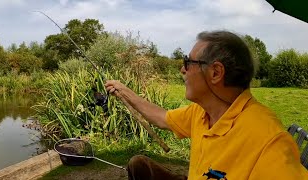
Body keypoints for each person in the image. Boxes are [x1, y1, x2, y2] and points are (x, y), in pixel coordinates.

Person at [105, 31, 308, 180]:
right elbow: (162, 117)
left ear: (215, 73)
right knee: (139, 165)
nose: (182, 69)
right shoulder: (201, 112)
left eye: (188, 62)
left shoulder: (269, 140)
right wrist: (124, 91)